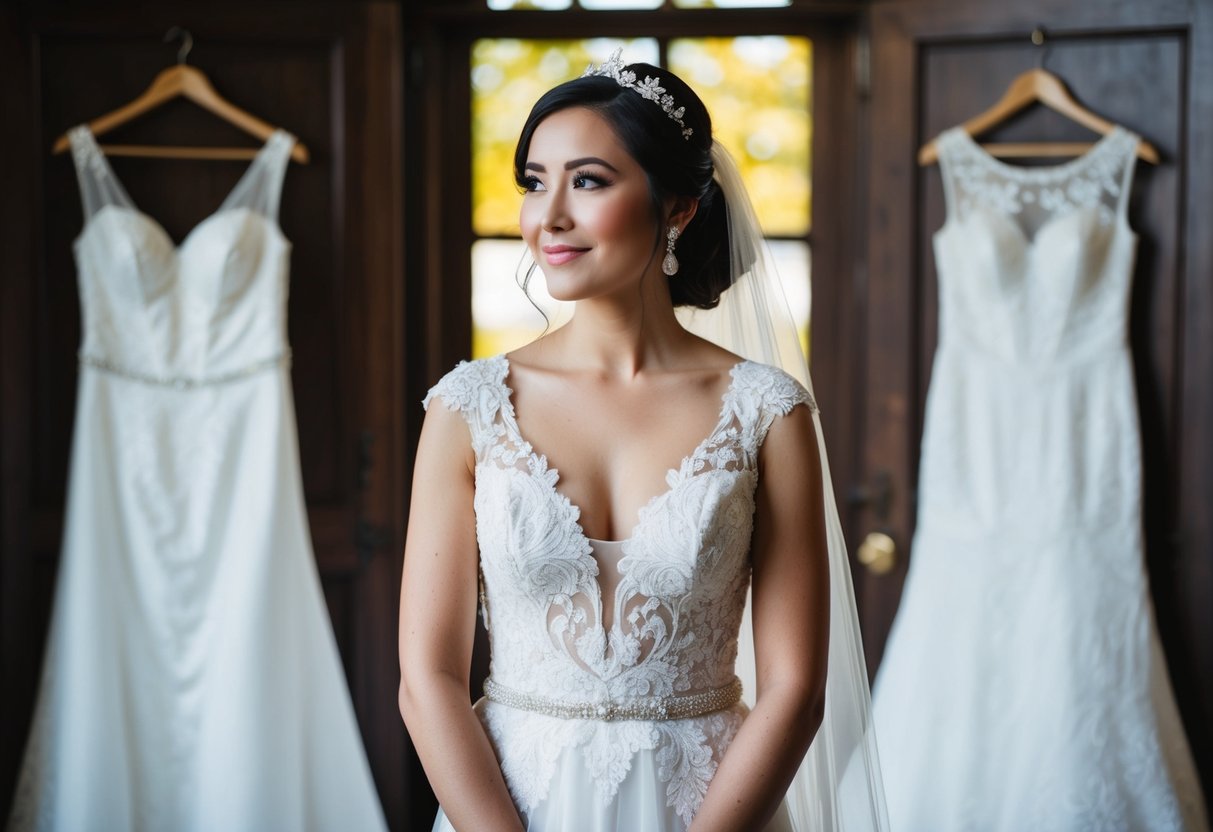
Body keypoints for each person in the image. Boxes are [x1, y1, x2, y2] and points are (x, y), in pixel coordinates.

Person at [398, 50, 887, 832]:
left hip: (707, 805)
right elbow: (426, 677)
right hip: (511, 799)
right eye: (533, 181)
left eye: (587, 181)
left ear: (678, 209)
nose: (547, 215)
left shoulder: (767, 412)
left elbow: (795, 689)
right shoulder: (468, 406)